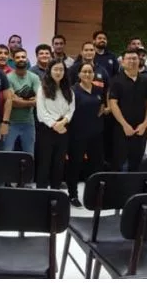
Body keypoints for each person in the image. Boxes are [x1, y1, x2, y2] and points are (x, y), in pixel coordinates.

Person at [66, 62, 105, 206]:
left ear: (94, 74)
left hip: (96, 134)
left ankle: (94, 195)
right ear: (79, 74)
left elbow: (102, 106)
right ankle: (73, 195)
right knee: (75, 166)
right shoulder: (73, 90)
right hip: (77, 135)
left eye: (90, 72)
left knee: (96, 166)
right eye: (84, 72)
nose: (87, 74)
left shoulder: (98, 90)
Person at [109, 49, 147, 172]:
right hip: (121, 129)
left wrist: (145, 124)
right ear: (123, 62)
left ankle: (135, 184)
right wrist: (125, 125)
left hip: (140, 129)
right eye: (128, 59)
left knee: (137, 163)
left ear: (139, 61)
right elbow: (113, 104)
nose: (132, 61)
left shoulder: (146, 81)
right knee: (120, 163)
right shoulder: (116, 81)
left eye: (134, 58)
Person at [35, 59, 75, 189]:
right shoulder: (42, 88)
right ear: (50, 71)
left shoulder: (68, 89)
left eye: (61, 69)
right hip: (47, 129)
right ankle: (41, 193)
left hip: (63, 128)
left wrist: (63, 121)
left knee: (59, 163)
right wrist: (55, 125)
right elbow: (41, 112)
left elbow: (71, 109)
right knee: (44, 163)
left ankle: (55, 192)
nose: (58, 72)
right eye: (55, 69)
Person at [4, 48, 41, 155]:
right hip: (11, 123)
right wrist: (31, 102)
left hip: (29, 123)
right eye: (18, 57)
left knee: (29, 156)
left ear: (27, 59)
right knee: (6, 155)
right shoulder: (8, 78)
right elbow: (12, 102)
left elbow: (39, 100)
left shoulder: (34, 77)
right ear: (13, 60)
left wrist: (19, 100)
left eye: (23, 57)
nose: (21, 59)